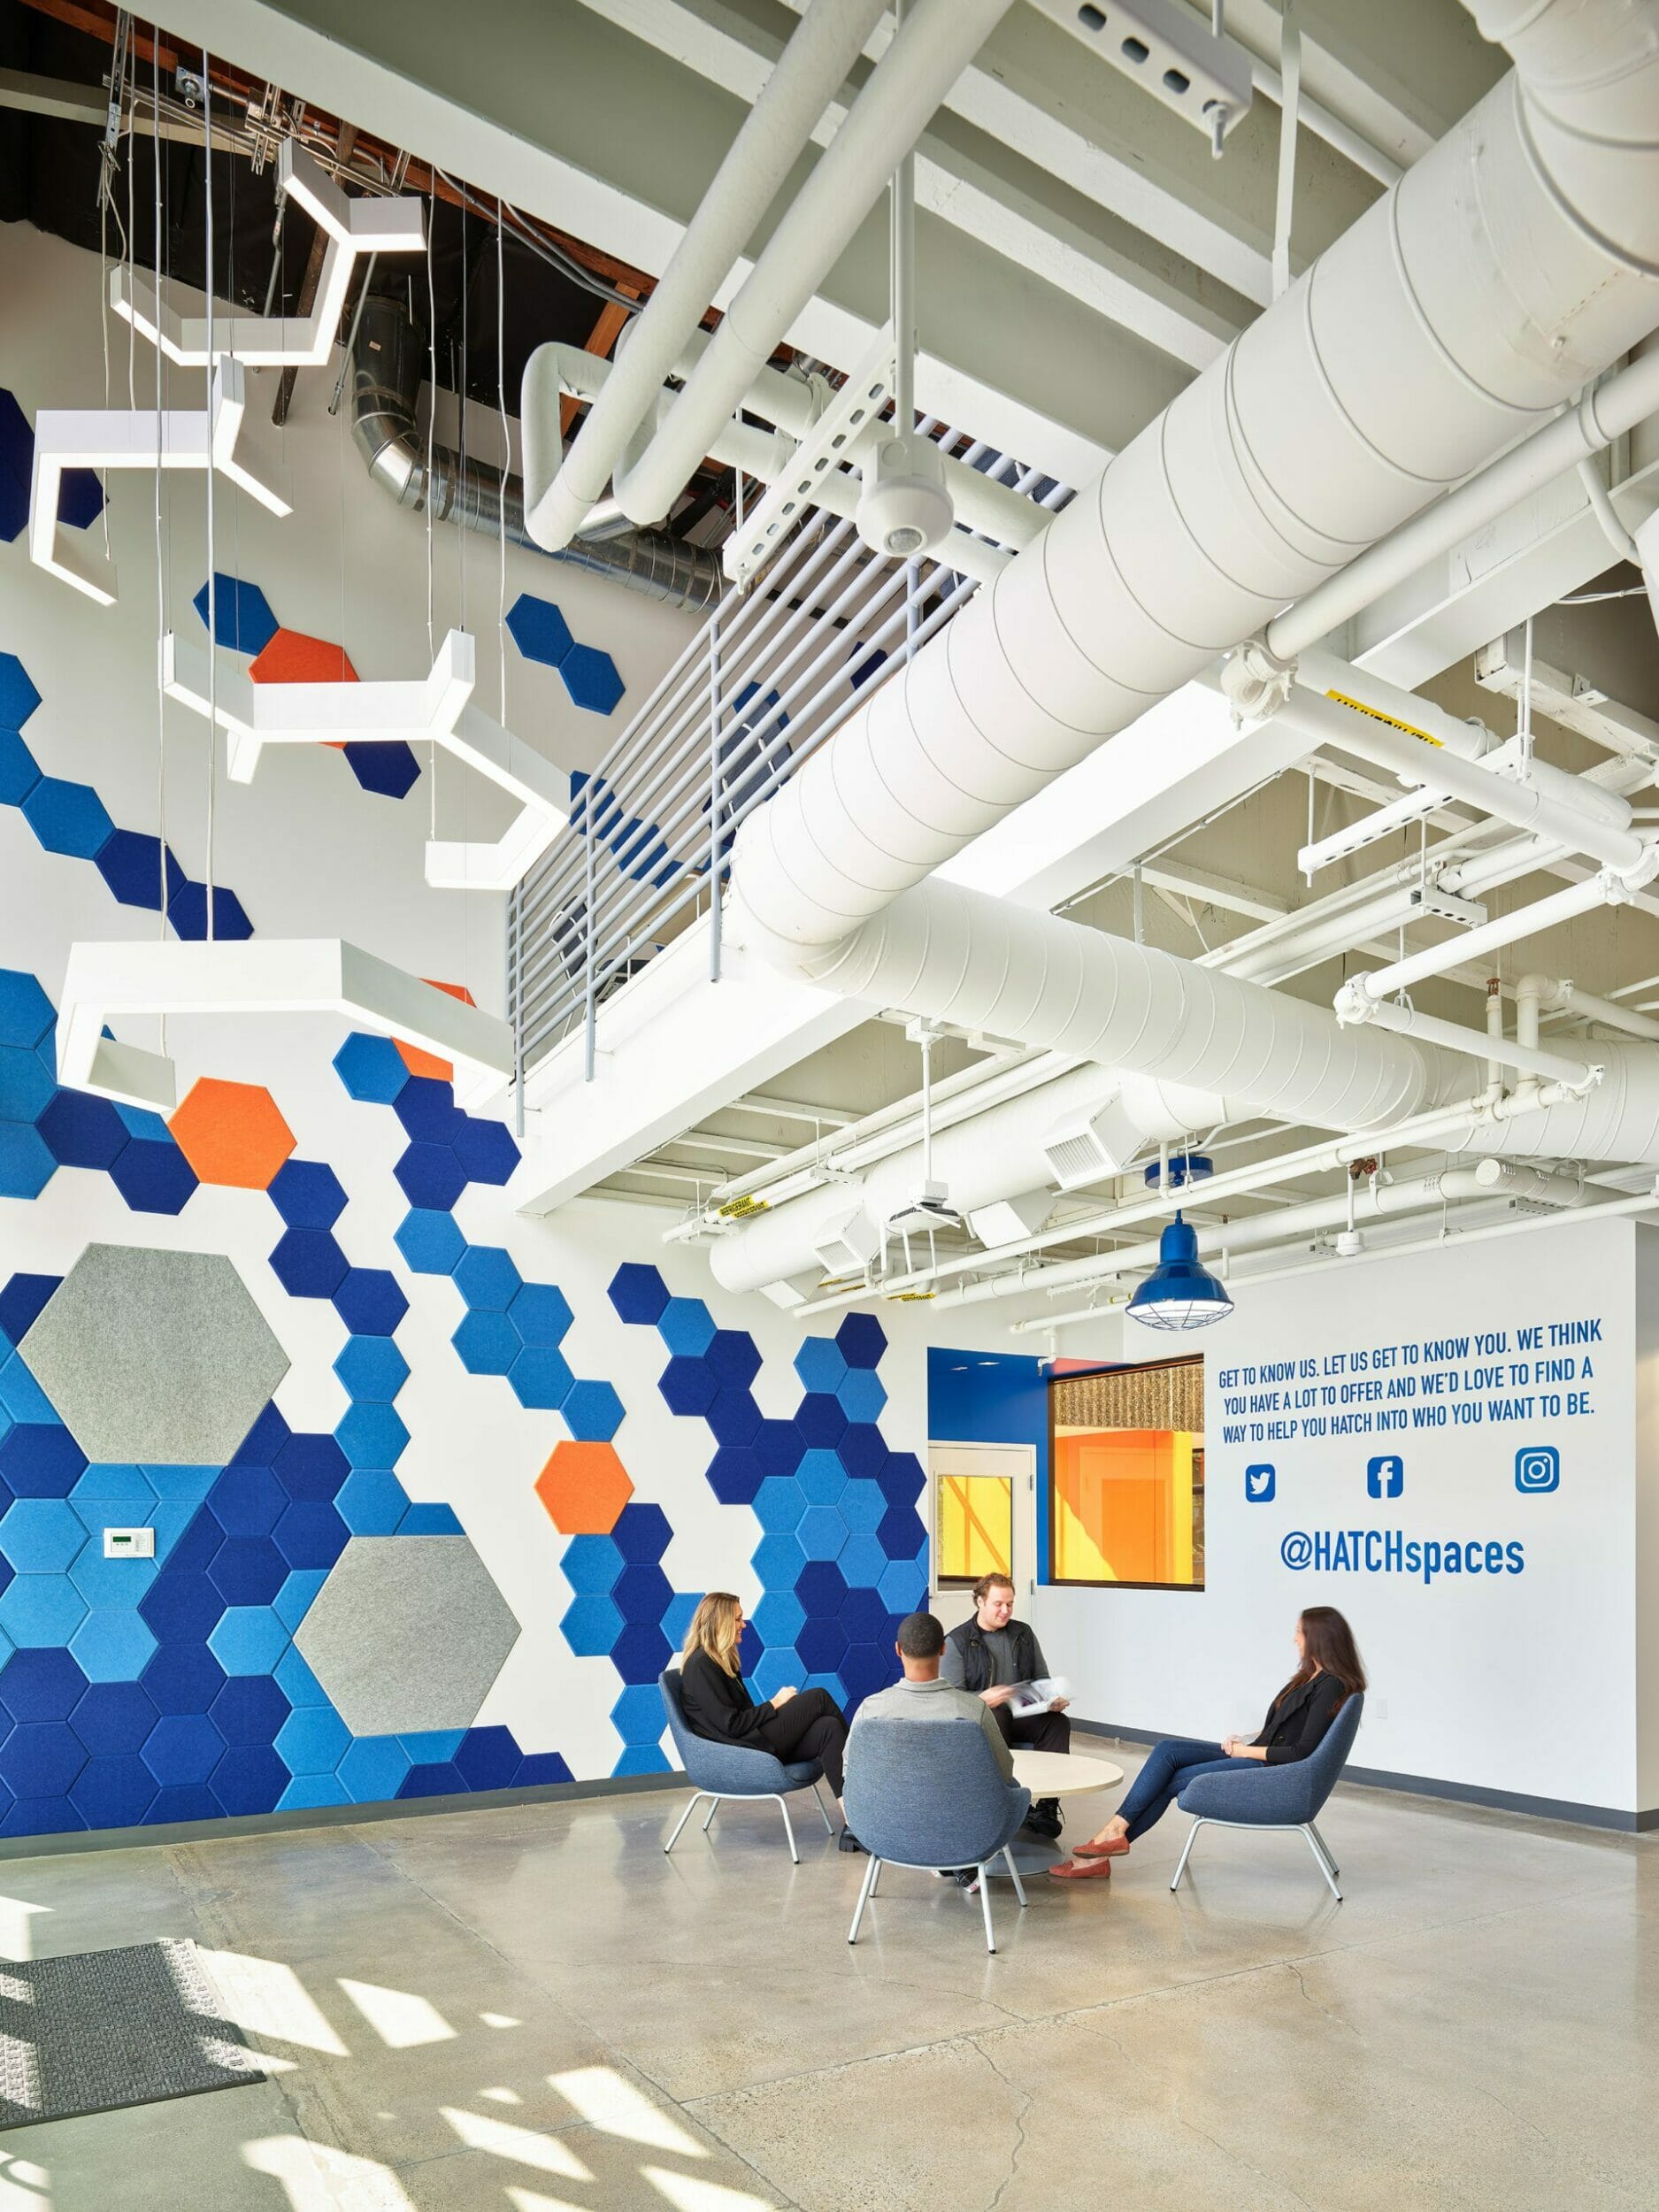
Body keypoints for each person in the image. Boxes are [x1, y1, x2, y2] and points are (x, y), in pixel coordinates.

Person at [1050, 1605, 1366, 1881]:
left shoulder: (1330, 1685)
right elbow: (1286, 1727)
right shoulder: (1308, 1677)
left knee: (1172, 1779)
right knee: (1167, 1751)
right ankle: (1111, 1836)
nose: (1294, 1638)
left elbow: (1302, 1751)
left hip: (1272, 1770)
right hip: (1257, 1753)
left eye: (1299, 1632)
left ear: (1319, 1639)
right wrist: (1243, 1738)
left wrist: (1244, 1751)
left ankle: (1098, 1852)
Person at [675, 1592, 864, 1852]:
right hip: (745, 1748)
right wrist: (775, 1703)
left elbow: (739, 1717)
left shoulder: (723, 1661)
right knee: (818, 1697)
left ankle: (854, 1823)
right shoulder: (701, 1666)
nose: (744, 1624)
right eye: (738, 1619)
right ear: (720, 1623)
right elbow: (732, 1725)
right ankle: (865, 1774)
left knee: (828, 1729)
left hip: (753, 1739)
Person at [850, 1609, 1021, 1889]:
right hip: (962, 1833)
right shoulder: (972, 1710)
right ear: (943, 1649)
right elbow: (1004, 1772)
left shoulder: (871, 1710)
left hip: (885, 1831)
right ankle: (957, 1863)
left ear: (897, 1650)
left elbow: (852, 1771)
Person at [941, 1571, 1070, 1840]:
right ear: (980, 1602)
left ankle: (1046, 1808)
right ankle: (1004, 1802)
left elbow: (1041, 1679)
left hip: (1022, 1713)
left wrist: (1049, 1699)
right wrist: (983, 1698)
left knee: (1057, 1724)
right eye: (998, 1604)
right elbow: (951, 1699)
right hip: (984, 1718)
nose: (1005, 1611)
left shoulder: (1023, 1633)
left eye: (1010, 1604)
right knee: (994, 1714)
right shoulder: (956, 1642)